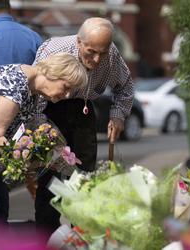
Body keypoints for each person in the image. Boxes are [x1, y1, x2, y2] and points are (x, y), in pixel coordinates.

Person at [0, 53, 87, 226]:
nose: (68, 95)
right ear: (54, 73)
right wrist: (23, 159)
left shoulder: (32, 89)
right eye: (66, 87)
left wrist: (49, 154)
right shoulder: (17, 83)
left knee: (1, 207)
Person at [33, 17, 134, 236]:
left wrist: (118, 116)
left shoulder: (111, 54)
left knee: (83, 179)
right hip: (50, 110)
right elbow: (35, 100)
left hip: (83, 110)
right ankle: (45, 237)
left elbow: (125, 86)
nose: (97, 59)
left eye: (103, 53)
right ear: (79, 42)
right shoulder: (55, 49)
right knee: (51, 180)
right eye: (90, 52)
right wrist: (47, 134)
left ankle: (82, 236)